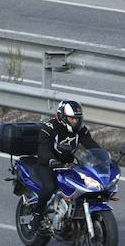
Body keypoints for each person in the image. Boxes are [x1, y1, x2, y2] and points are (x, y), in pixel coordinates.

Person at [30, 99, 100, 232]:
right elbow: (43, 148)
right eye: (72, 118)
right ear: (62, 116)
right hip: (47, 164)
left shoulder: (80, 130)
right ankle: (37, 216)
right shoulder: (50, 127)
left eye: (77, 119)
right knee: (49, 186)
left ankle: (75, 215)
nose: (75, 121)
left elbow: (91, 145)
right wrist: (51, 160)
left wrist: (105, 157)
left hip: (67, 164)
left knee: (85, 184)